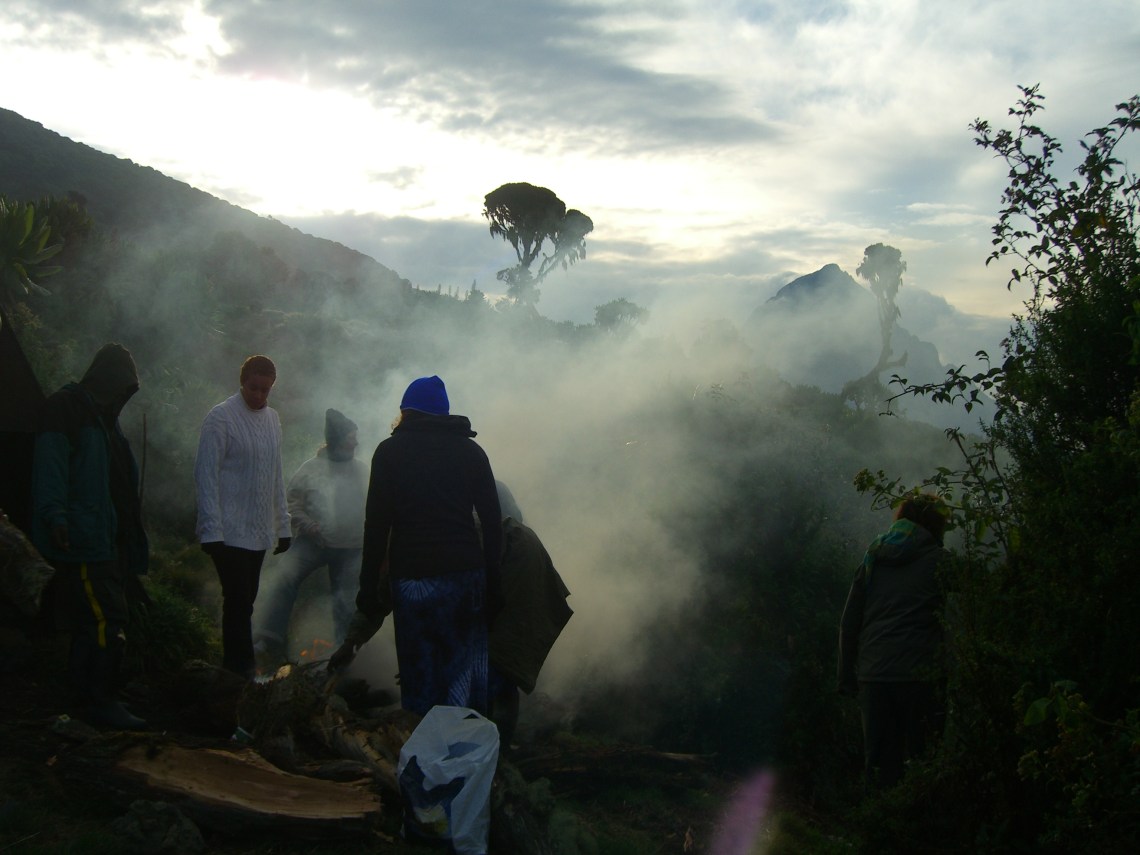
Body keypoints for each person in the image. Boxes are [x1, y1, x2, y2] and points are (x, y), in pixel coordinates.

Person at [330, 375, 502, 717]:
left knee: (420, 676)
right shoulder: (472, 452)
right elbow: (493, 523)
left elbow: (376, 526)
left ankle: (422, 756)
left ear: (406, 412)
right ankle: (464, 758)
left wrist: (367, 589)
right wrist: (494, 587)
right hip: (464, 579)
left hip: (412, 582)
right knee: (463, 677)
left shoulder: (388, 452)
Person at [31, 343, 149, 729]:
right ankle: (100, 702)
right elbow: (50, 466)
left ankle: (87, 697)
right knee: (105, 618)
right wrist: (55, 516)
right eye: (121, 386)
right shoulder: (66, 408)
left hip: (108, 538)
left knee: (94, 619)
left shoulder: (106, 420)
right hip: (84, 537)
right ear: (106, 380)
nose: (122, 395)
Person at [838, 493, 950, 788]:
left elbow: (850, 622)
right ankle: (921, 828)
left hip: (875, 677)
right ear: (937, 524)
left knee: (879, 768)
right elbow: (983, 594)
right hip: (920, 675)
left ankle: (878, 829)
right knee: (926, 763)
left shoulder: (873, 557)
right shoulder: (939, 561)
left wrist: (846, 675)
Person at [195, 355, 291, 679]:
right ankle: (240, 671)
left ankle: (236, 669)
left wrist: (284, 524)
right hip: (229, 529)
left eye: (266, 390)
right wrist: (211, 530)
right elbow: (205, 474)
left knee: (246, 600)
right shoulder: (221, 418)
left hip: (259, 529)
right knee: (237, 601)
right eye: (254, 388)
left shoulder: (273, 420)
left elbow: (276, 473)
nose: (259, 396)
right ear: (242, 382)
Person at [253, 408, 369, 668]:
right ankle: (268, 640)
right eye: (351, 437)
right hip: (314, 542)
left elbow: (375, 507)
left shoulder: (362, 471)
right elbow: (291, 504)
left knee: (347, 599)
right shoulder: (311, 469)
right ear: (338, 440)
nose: (356, 442)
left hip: (351, 546)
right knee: (285, 575)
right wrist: (307, 525)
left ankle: (346, 655)